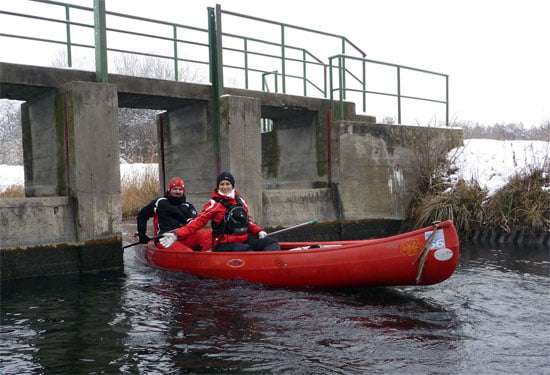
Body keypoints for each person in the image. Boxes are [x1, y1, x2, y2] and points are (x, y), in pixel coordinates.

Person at [159, 171, 280, 252]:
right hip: (223, 244)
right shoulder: (214, 204)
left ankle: (275, 264)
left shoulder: (241, 202)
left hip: (243, 240)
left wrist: (259, 231)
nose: (225, 187)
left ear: (232, 186)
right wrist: (176, 235)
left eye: (228, 184)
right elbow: (197, 223)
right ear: (218, 186)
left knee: (270, 242)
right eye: (222, 184)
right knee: (246, 250)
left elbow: (247, 223)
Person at [137, 176, 212, 251]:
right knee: (187, 252)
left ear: (183, 191)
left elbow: (193, 223)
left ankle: (199, 252)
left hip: (183, 236)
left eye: (180, 189)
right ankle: (190, 255)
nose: (177, 192)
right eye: (175, 189)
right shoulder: (160, 202)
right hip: (165, 239)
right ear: (169, 190)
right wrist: (142, 234)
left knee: (212, 233)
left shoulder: (188, 206)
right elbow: (142, 215)